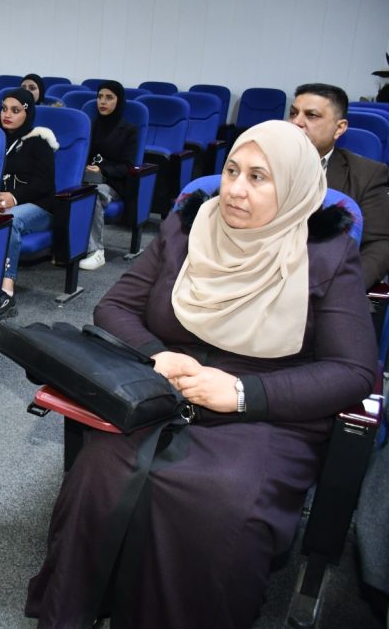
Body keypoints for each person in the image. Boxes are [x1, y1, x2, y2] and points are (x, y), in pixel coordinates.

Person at [24, 120, 377, 627]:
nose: (235, 189)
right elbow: (115, 307)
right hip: (161, 384)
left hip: (266, 409)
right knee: (99, 476)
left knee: (217, 501)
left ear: (294, 187)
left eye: (259, 177)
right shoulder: (187, 228)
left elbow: (352, 370)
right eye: (232, 170)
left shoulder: (325, 253)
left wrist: (241, 392)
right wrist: (156, 354)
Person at [289, 82, 389, 287]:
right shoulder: (261, 162)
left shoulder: (366, 174)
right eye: (293, 113)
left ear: (339, 128)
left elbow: (380, 245)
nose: (297, 122)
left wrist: (344, 287)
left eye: (311, 115)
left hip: (323, 282)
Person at [0, 88, 58, 321]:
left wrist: (14, 197)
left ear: (27, 114)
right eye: (4, 109)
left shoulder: (39, 142)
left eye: (15, 110)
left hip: (39, 207)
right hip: (2, 203)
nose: (7, 114)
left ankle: (7, 292)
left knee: (11, 220)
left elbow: (45, 184)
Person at [80, 79, 139, 271]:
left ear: (119, 101)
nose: (103, 102)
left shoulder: (129, 130)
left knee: (93, 193)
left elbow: (127, 166)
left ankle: (96, 251)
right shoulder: (90, 126)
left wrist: (102, 170)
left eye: (109, 98)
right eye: (100, 97)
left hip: (112, 182)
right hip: (86, 177)